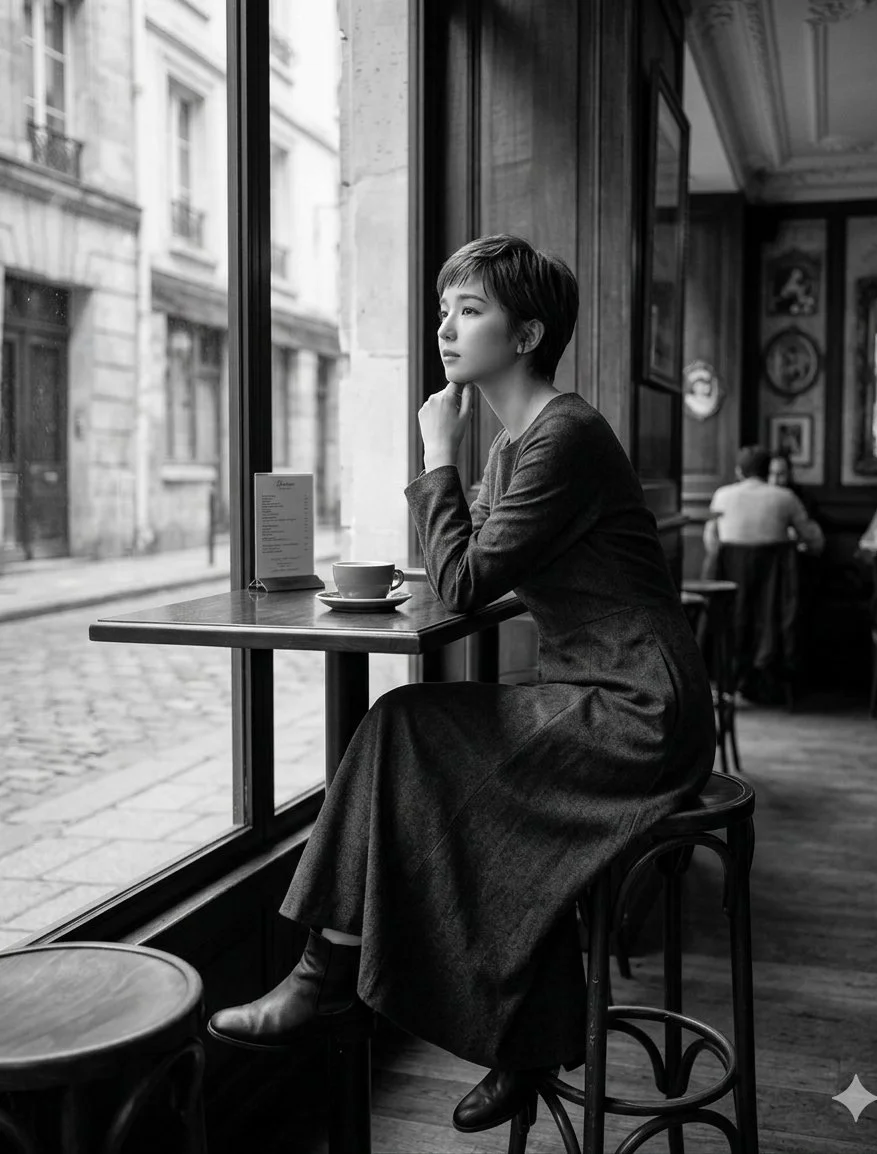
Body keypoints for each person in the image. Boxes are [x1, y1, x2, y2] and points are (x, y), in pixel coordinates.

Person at [207, 235, 716, 1134]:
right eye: (445, 309)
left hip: (637, 706)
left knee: (407, 730)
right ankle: (509, 1031)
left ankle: (330, 979)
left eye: (468, 310)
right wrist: (444, 521)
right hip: (588, 689)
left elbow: (472, 579)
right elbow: (462, 568)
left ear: (526, 334)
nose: (445, 327)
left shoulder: (564, 434)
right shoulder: (517, 446)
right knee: (412, 736)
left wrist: (436, 448)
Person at [703, 444, 821, 574]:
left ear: (739, 471)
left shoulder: (721, 496)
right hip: (773, 584)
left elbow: (710, 537)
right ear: (767, 471)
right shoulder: (786, 497)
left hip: (729, 578)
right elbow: (814, 540)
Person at [767, 451, 825, 556]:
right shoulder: (761, 497)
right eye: (771, 474)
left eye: (780, 474)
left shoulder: (802, 497)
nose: (774, 480)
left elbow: (813, 537)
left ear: (789, 474)